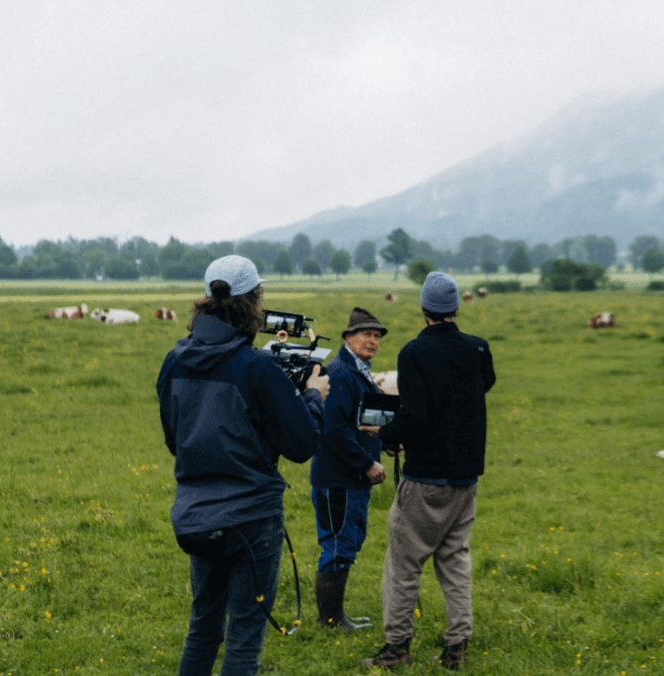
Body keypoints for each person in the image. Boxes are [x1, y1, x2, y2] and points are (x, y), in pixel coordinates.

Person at [157, 255, 330, 676]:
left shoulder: (173, 362)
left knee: (202, 629)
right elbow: (302, 444)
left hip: (195, 515)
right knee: (244, 637)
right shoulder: (258, 366)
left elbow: (175, 439)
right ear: (255, 302)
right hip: (251, 519)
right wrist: (311, 396)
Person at [360, 272, 495, 671]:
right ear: (455, 307)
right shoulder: (478, 348)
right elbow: (482, 384)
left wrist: (385, 433)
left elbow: (415, 414)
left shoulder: (414, 352)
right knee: (455, 560)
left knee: (403, 564)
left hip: (425, 477)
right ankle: (457, 647)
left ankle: (397, 647)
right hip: (467, 476)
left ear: (424, 309)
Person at [310, 307, 389, 630]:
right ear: (348, 338)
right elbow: (334, 430)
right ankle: (330, 620)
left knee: (347, 541)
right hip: (339, 478)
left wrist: (388, 440)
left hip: (348, 478)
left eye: (377, 336)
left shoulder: (360, 370)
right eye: (366, 335)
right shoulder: (342, 372)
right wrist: (367, 462)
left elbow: (364, 421)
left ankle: (336, 616)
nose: (373, 341)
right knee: (339, 544)